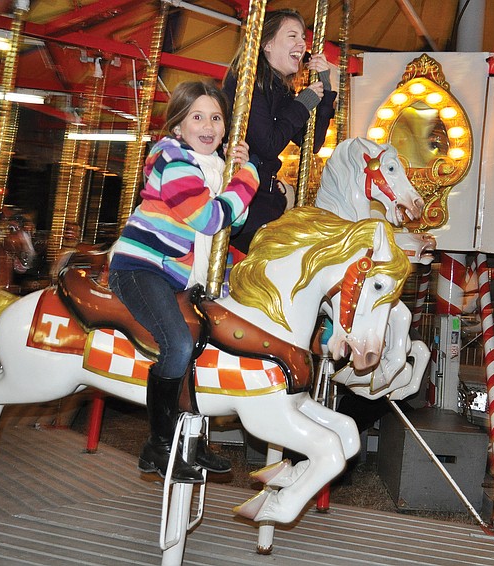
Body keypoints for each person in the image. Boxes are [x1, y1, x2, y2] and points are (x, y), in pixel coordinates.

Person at [108, 81, 260, 483]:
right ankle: (157, 446)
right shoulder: (173, 161)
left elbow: (233, 222)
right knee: (176, 342)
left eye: (216, 118)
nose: (208, 125)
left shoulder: (209, 167)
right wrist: (247, 179)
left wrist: (234, 175)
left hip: (174, 272)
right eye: (197, 117)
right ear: (178, 126)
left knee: (204, 339)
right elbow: (210, 219)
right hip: (141, 267)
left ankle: (190, 441)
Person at [222, 8, 338, 254]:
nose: (302, 44)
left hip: (265, 197)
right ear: (267, 44)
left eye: (303, 39)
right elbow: (268, 143)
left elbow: (311, 144)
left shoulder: (280, 89)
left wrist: (326, 92)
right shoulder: (247, 81)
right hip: (243, 199)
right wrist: (301, 105)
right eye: (292, 36)